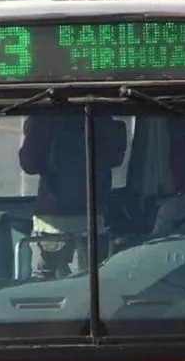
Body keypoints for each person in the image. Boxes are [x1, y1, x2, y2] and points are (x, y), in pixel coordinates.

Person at [19, 114, 125, 279]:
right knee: (90, 280)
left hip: (52, 219)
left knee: (44, 281)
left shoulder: (45, 118)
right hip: (92, 216)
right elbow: (116, 159)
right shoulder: (101, 117)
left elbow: (29, 163)